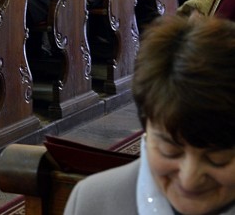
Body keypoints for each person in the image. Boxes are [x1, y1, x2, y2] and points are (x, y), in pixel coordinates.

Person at [64, 14, 235, 215]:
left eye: (218, 157)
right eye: (168, 150)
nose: (189, 180)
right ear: (146, 130)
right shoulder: (94, 201)